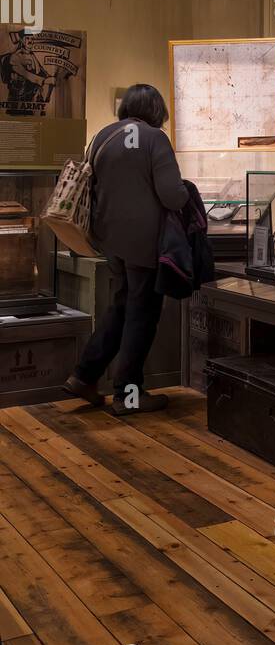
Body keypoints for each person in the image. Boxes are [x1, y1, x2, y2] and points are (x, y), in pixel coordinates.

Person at [64, 84, 189, 416]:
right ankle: (127, 396)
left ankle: (84, 375)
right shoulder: (154, 138)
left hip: (109, 240)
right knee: (142, 315)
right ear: (156, 111)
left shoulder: (103, 135)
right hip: (145, 244)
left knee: (123, 306)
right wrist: (188, 193)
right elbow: (172, 196)